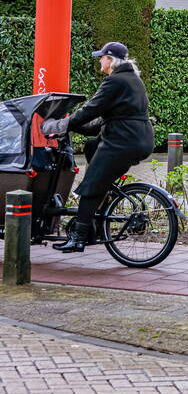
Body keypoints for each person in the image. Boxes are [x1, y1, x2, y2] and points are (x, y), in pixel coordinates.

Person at [41, 42, 154, 253]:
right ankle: (98, 225)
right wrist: (73, 127)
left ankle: (78, 238)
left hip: (121, 143)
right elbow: (101, 120)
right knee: (92, 148)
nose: (100, 60)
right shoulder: (132, 80)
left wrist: (58, 125)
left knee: (91, 186)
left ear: (110, 60)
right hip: (139, 139)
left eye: (102, 57)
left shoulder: (114, 81)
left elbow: (90, 110)